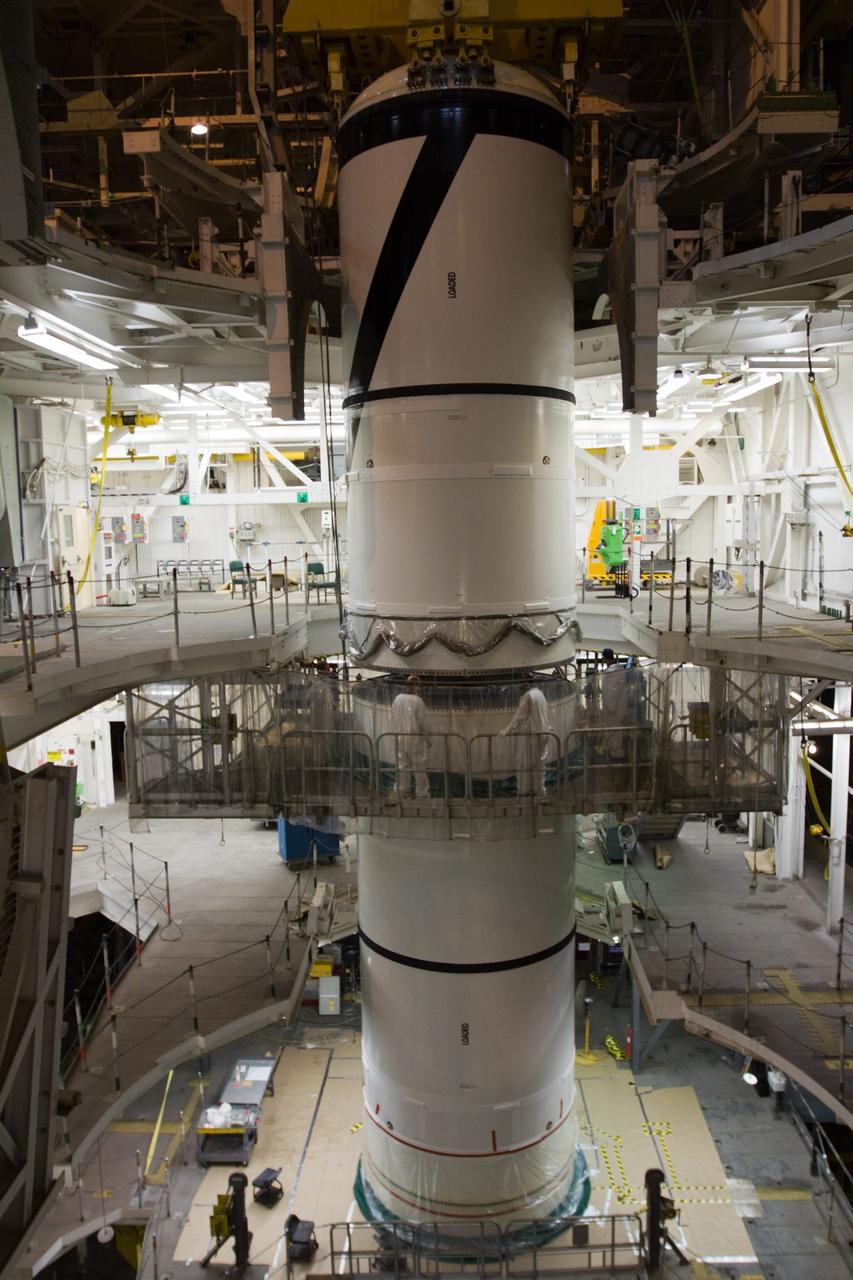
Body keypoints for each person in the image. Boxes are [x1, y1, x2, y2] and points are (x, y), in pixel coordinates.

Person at [499, 685, 552, 798]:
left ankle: (523, 791)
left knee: (523, 762)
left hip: (532, 735)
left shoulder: (528, 696)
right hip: (543, 732)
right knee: (540, 765)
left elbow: (519, 714)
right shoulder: (540, 694)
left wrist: (506, 730)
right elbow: (543, 713)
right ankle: (541, 793)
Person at [391, 675, 430, 798]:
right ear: (417, 686)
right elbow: (423, 722)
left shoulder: (397, 699)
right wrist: (428, 737)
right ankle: (422, 793)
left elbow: (393, 717)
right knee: (419, 766)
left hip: (400, 736)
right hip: (415, 738)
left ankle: (401, 791)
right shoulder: (418, 701)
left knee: (402, 765)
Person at [600, 648, 630, 759]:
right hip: (616, 706)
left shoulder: (612, 672)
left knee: (614, 729)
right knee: (615, 729)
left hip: (613, 708)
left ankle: (617, 754)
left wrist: (611, 707)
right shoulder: (619, 669)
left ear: (604, 657)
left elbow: (612, 691)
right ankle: (614, 751)